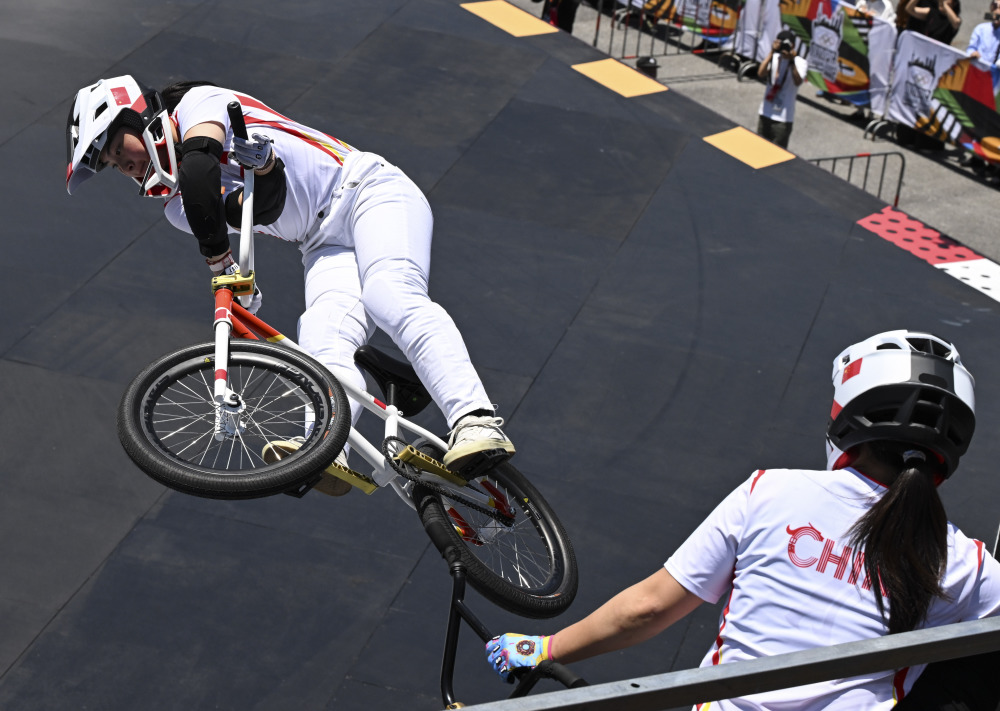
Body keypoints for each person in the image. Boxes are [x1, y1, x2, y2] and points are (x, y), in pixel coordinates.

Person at [486, 330, 1000, 709]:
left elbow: (646, 610)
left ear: (847, 418)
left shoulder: (771, 491)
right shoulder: (969, 566)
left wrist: (543, 647)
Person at [65, 76, 515, 488]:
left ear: (137, 116)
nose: (125, 166)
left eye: (120, 150)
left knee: (389, 293)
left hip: (367, 191)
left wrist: (220, 246)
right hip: (321, 243)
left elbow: (201, 170)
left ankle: (475, 420)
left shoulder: (197, 105)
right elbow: (262, 208)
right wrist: (259, 184)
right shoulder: (177, 209)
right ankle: (325, 446)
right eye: (113, 166)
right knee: (320, 336)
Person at [756, 30, 809, 149]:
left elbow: (797, 81)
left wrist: (791, 61)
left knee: (776, 155)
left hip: (783, 119)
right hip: (765, 113)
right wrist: (771, 52)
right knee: (758, 151)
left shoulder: (801, 62)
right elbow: (761, 73)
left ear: (793, 46)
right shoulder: (774, 57)